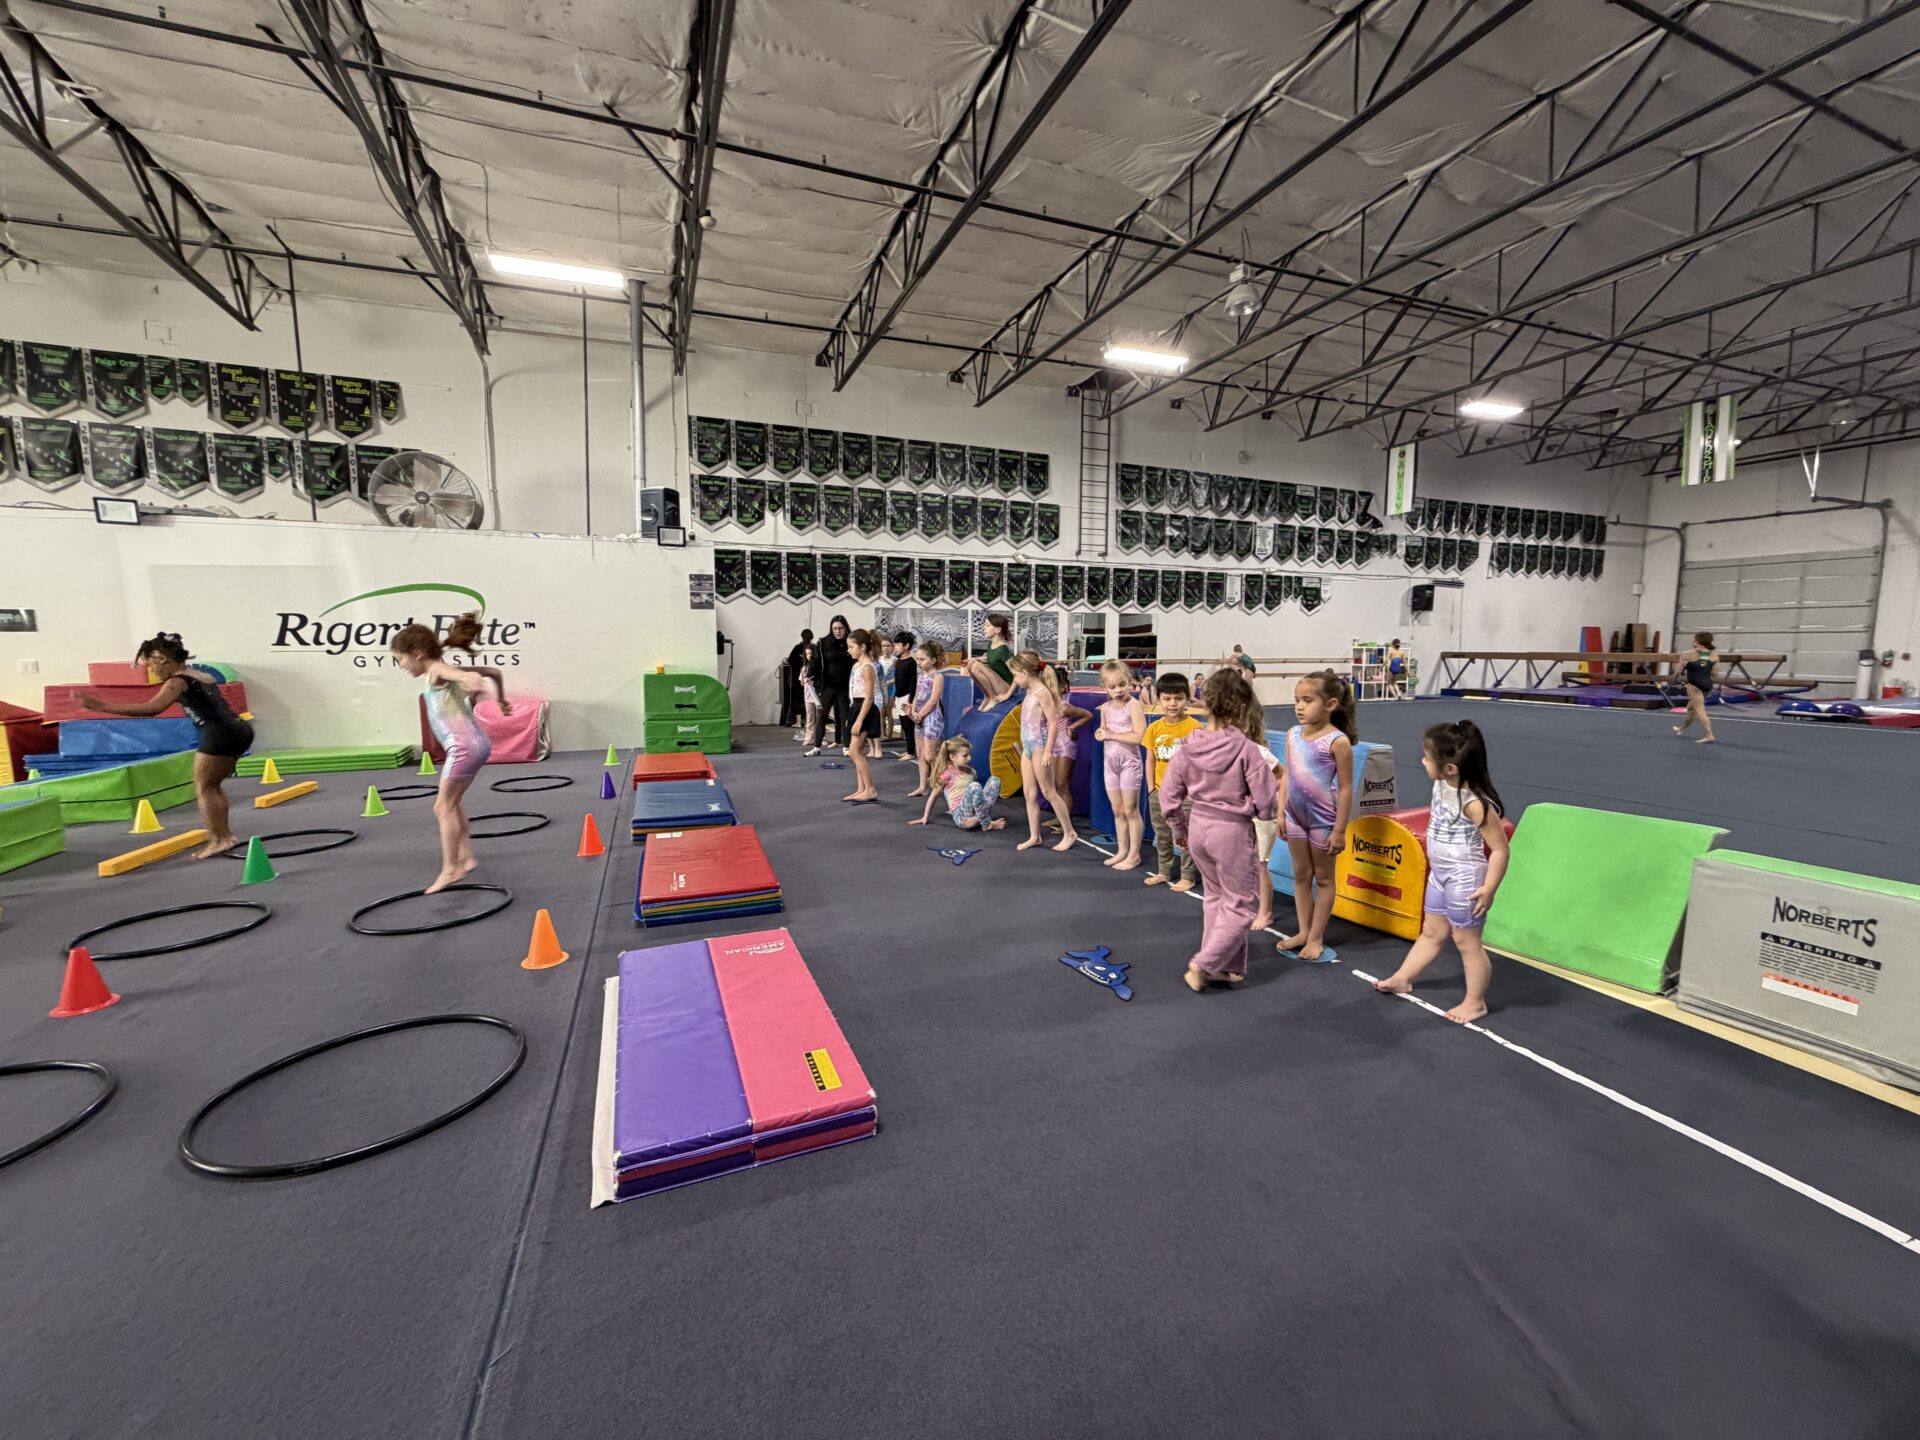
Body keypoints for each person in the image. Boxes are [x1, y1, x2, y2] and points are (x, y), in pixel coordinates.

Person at [1373, 719, 1511, 1023]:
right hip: (1439, 874)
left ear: (1450, 768)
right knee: (1432, 932)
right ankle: (1403, 978)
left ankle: (1475, 1002)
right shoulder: (1441, 784)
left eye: (1427, 757)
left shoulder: (1475, 803)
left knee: (1467, 943)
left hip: (1466, 878)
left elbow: (1501, 849)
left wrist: (1489, 888)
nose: (1423, 761)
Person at [80, 632, 254, 859]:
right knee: (212, 786)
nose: (153, 671)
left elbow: (152, 708)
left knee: (205, 788)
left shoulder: (177, 681)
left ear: (161, 658)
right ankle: (224, 836)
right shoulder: (201, 674)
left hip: (219, 734)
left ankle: (219, 839)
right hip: (239, 729)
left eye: (151, 665)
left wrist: (102, 707)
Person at [1161, 668, 1280, 992]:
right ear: (1241, 708)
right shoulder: (1246, 750)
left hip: (1199, 826)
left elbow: (1169, 798)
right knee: (1241, 903)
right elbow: (1267, 801)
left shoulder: (1187, 746)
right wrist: (1257, 811)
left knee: (1215, 898)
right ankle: (1204, 963)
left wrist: (1180, 830)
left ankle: (1227, 967)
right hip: (1232, 832)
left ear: (1205, 703)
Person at [390, 613, 510, 893]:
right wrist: (501, 698)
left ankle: (450, 869)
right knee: (453, 803)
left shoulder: (437, 671)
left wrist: (469, 678)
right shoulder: (442, 668)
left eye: (400, 659)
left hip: (463, 748)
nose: (401, 666)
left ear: (417, 654)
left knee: (442, 807)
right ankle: (466, 857)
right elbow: (492, 672)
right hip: (478, 744)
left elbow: (462, 675)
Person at [1275, 670, 1356, 962]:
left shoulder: (1337, 741)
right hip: (1295, 816)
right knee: (1301, 875)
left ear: (1331, 704)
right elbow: (1287, 775)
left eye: (1308, 701)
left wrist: (1339, 830)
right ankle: (1303, 931)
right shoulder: (1293, 734)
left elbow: (1345, 789)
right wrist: (1280, 812)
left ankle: (1316, 937)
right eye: (1297, 700)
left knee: (1323, 879)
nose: (1299, 706)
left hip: (1323, 821)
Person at [1008, 650, 1078, 852]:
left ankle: (1069, 832)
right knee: (1029, 794)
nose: (1014, 680)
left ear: (1025, 673)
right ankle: (1034, 836)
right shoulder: (1030, 692)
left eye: (1015, 675)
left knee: (1049, 792)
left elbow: (1053, 723)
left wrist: (1048, 751)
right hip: (1028, 748)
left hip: (1040, 747)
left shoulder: (1042, 693)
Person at [1141, 673, 1202, 891]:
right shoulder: (1154, 728)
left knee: (1186, 835)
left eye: (1178, 698)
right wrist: (1151, 789)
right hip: (1159, 792)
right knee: (1162, 834)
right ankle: (1163, 871)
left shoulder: (1195, 728)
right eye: (1167, 699)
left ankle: (1188, 875)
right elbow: (1150, 760)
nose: (1173, 704)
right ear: (1158, 699)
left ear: (1187, 699)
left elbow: (1200, 763)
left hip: (1186, 794)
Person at [1095, 658, 1147, 871]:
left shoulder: (1133, 706)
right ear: (1105, 687)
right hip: (1110, 764)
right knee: (1117, 810)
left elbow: (1139, 737)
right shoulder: (1105, 708)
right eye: (1112, 686)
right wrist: (1101, 733)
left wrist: (1111, 734)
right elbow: (1104, 730)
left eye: (1122, 685)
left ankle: (1134, 855)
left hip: (1129, 764)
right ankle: (1122, 851)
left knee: (1130, 809)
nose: (1118, 690)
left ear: (1129, 682)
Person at [1237, 703, 1285, 931]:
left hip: (1263, 816)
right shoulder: (1229, 751)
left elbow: (1282, 775)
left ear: (1248, 725)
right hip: (1243, 813)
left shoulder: (1258, 751)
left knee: (1260, 864)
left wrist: (1269, 797)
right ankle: (1247, 903)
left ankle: (1265, 912)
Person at [910, 736, 1007, 831]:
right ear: (952, 757)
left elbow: (975, 796)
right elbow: (934, 796)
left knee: (995, 780)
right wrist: (925, 817)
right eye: (965, 755)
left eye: (969, 754)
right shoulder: (947, 774)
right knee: (975, 786)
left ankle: (979, 818)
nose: (969, 758)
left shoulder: (971, 771)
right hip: (961, 816)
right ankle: (986, 823)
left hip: (974, 812)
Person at [1043, 665, 1093, 833]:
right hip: (1052, 747)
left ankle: (1066, 825)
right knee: (1054, 785)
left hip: (1065, 746)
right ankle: (1059, 818)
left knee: (1062, 784)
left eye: (1054, 686)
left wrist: (1072, 727)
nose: (1050, 689)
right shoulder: (1046, 704)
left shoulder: (1064, 707)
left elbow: (1088, 715)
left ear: (1063, 687)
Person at [843, 628, 881, 802]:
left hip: (864, 708)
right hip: (856, 706)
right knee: (858, 751)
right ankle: (862, 788)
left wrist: (859, 720)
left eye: (851, 647)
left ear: (863, 647)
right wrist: (851, 716)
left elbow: (869, 697)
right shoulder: (857, 665)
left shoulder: (867, 667)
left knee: (854, 751)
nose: (848, 650)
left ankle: (871, 789)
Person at [806, 616, 852, 755]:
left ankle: (847, 747)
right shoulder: (823, 643)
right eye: (835, 628)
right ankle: (816, 747)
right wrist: (809, 675)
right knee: (822, 716)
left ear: (846, 629)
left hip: (845, 687)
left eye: (840, 628)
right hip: (827, 686)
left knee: (844, 717)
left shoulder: (851, 642)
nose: (838, 631)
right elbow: (815, 661)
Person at [908, 639, 947, 797]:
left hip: (932, 718)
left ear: (933, 660)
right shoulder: (921, 675)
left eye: (922, 659)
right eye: (917, 659)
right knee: (920, 754)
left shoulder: (938, 676)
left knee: (931, 755)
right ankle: (923, 786)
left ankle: (944, 784)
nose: (919, 662)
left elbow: (933, 700)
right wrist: (913, 711)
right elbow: (917, 696)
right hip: (919, 717)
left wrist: (920, 714)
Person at [1672, 631, 1718, 744]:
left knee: (1699, 709)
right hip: (1707, 684)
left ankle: (1709, 735)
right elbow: (1715, 673)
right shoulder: (1714, 654)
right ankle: (1681, 728)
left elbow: (1678, 671)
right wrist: (1703, 667)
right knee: (1691, 709)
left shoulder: (1687, 654)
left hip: (1694, 685)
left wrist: (1674, 679)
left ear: (1697, 641)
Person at [966, 612, 1016, 708]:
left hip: (1005, 688)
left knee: (976, 665)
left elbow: (1017, 674)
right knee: (971, 664)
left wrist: (1008, 694)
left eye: (988, 625)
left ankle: (993, 697)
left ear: (997, 629)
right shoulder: (991, 645)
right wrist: (974, 659)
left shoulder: (1003, 649)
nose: (984, 628)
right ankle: (987, 696)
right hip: (996, 684)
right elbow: (992, 657)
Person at [892, 632, 920, 765]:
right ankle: (910, 749)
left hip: (907, 697)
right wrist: (894, 696)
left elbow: (913, 682)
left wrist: (911, 700)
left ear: (906, 646)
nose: (895, 647)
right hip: (898, 696)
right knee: (903, 724)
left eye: (897, 645)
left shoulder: (911, 663)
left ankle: (910, 751)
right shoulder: (898, 661)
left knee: (909, 726)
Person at [781, 628, 813, 729]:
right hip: (810, 678)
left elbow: (790, 661)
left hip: (798, 678)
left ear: (802, 637)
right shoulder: (814, 648)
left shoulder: (797, 648)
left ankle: (798, 722)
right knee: (810, 700)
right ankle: (809, 722)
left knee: (797, 699)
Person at [798, 642, 820, 745]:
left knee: (820, 717)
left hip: (818, 695)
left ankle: (821, 737)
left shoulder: (819, 667)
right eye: (807, 654)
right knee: (810, 717)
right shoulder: (804, 668)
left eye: (810, 653)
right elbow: (802, 682)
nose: (809, 656)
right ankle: (808, 737)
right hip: (808, 695)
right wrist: (805, 682)